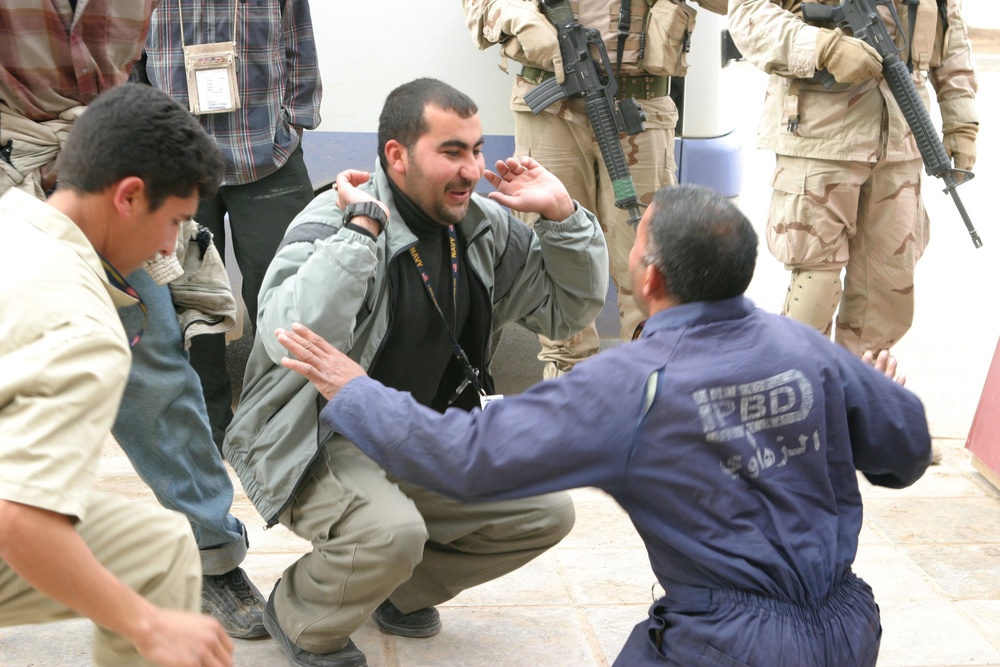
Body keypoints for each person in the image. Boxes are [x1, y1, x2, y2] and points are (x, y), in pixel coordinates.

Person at [275, 183, 933, 666]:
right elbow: (904, 453)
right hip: (849, 628)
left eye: (638, 242)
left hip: (726, 645)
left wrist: (356, 389)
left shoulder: (632, 383)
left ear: (649, 278)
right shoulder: (806, 348)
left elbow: (468, 459)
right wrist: (883, 395)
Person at [224, 77, 609, 666]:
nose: (472, 170)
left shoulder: (483, 227)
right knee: (390, 533)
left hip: (416, 431)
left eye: (477, 150)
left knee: (543, 512)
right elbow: (290, 336)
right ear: (396, 156)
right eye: (451, 152)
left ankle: (396, 592)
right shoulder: (336, 218)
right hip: (319, 436)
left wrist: (564, 217)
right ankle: (302, 615)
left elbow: (566, 309)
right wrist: (362, 234)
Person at [0, 0, 269, 639]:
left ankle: (211, 554)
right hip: (21, 165)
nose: (170, 246)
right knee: (148, 561)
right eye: (174, 224)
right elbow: (17, 517)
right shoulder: (84, 330)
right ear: (133, 202)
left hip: (96, 170)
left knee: (155, 362)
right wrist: (144, 624)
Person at [462, 0, 727, 376]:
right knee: (552, 248)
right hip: (549, 108)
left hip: (640, 108)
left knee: (652, 248)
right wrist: (517, 18)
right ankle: (569, 387)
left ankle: (652, 382)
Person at [728, 0, 979, 355]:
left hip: (902, 137)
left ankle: (861, 396)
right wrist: (823, 46)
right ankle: (799, 393)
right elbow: (747, 13)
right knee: (815, 280)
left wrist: (962, 123)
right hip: (821, 135)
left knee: (888, 285)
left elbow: (950, 36)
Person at [137, 0, 323, 448]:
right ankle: (204, 424)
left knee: (287, 293)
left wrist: (293, 122)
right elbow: (128, 57)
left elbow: (299, 41)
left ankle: (279, 424)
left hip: (266, 156)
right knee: (187, 299)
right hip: (175, 161)